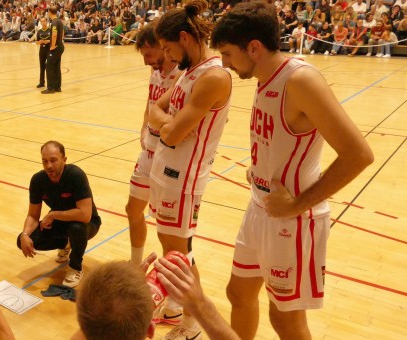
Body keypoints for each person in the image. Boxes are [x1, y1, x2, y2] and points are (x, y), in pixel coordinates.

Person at [211, 2, 374, 339]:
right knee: (238, 294)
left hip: (294, 222)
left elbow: (359, 154)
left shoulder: (300, 80)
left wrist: (297, 204)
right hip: (260, 209)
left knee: (285, 320)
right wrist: (260, 170)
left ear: (253, 48)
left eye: (227, 53)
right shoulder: (263, 77)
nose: (224, 63)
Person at [147, 0, 233, 338]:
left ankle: (191, 324)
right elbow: (156, 110)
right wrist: (168, 125)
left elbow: (172, 135)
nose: (167, 57)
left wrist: (167, 127)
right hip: (166, 174)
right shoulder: (188, 72)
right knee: (174, 249)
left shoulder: (213, 76)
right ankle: (178, 306)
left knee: (179, 255)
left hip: (183, 180)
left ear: (184, 38)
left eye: (168, 48)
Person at [70, 255, 240, 340]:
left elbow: (89, 329)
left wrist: (128, 292)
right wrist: (202, 306)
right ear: (150, 331)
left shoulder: (86, 328)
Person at [127, 22, 182, 266]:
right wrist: (142, 127)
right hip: (149, 150)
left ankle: (173, 287)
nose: (146, 61)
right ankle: (136, 263)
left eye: (148, 54)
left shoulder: (182, 74)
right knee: (132, 209)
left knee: (167, 228)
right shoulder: (155, 72)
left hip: (168, 155)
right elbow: (151, 102)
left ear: (162, 47)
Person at [17, 141, 102, 288]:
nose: (49, 165)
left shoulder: (76, 175)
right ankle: (66, 243)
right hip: (60, 221)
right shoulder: (38, 180)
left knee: (76, 228)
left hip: (87, 224)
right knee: (22, 240)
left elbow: (85, 215)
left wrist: (52, 215)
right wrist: (24, 234)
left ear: (64, 160)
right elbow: (33, 215)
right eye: (45, 161)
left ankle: (75, 267)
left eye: (53, 160)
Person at [42, 6, 65, 94]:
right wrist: (60, 41)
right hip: (60, 46)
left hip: (55, 47)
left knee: (49, 66)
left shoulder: (54, 22)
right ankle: (57, 87)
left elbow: (54, 34)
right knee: (56, 66)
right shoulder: (59, 21)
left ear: (50, 12)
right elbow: (62, 32)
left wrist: (52, 45)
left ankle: (50, 88)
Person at [35, 17, 51, 88]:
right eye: (41, 21)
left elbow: (54, 40)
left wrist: (48, 41)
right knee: (42, 67)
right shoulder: (39, 31)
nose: (43, 23)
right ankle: (41, 82)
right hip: (42, 50)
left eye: (44, 21)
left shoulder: (50, 30)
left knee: (49, 67)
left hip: (49, 49)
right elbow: (36, 41)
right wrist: (39, 42)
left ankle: (50, 83)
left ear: (46, 22)